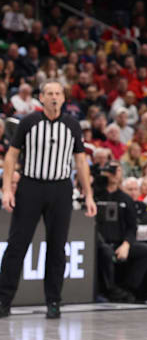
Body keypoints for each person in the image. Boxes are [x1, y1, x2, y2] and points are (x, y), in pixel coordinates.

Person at [0, 81, 97, 318]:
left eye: (58, 93)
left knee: (57, 247)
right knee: (17, 245)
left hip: (60, 189)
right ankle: (3, 301)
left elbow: (81, 161)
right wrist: (7, 189)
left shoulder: (72, 125)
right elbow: (11, 157)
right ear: (41, 98)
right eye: (49, 93)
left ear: (64, 99)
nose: (54, 97)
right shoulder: (28, 122)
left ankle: (53, 301)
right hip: (30, 186)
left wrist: (89, 195)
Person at [95, 161, 147, 302]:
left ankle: (126, 288)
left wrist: (126, 244)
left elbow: (132, 226)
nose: (113, 173)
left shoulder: (125, 198)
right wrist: (101, 176)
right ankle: (109, 290)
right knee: (105, 252)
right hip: (99, 243)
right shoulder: (97, 194)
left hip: (119, 242)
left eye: (116, 170)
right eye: (111, 170)